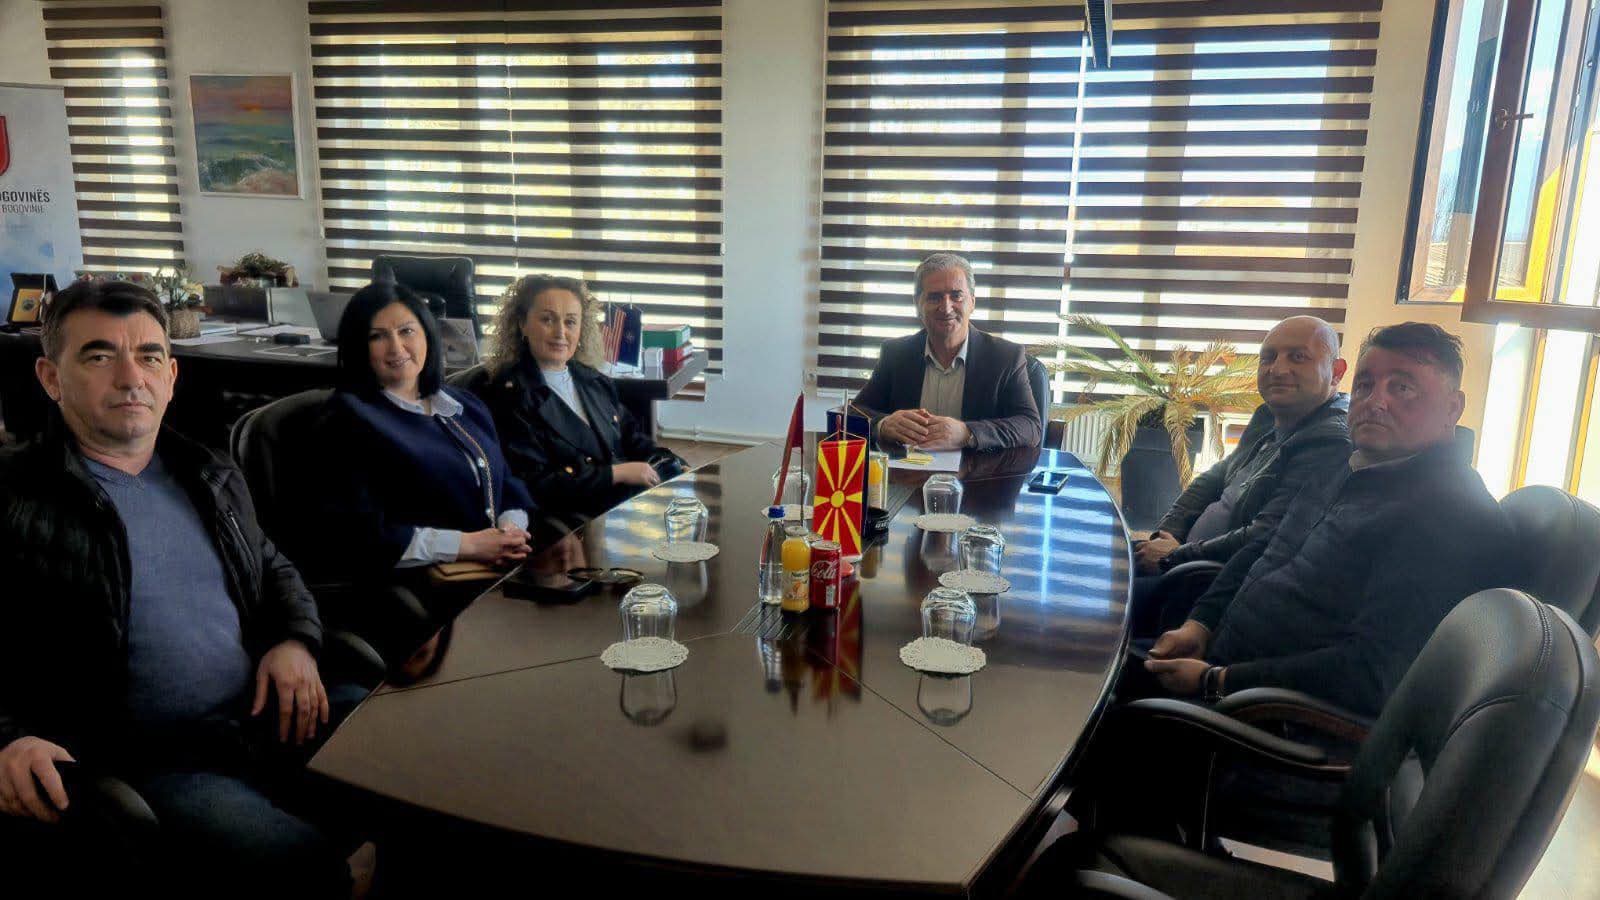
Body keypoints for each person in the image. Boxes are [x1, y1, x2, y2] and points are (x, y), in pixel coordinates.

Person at [0, 279, 357, 896]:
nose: (129, 378)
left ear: (170, 376)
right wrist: (8, 738)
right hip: (147, 760)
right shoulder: (16, 497)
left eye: (148, 356)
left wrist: (294, 640)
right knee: (303, 868)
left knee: (425, 757)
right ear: (51, 378)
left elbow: (274, 568)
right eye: (98, 356)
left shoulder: (208, 473)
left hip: (259, 716)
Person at [1142, 322, 1513, 717]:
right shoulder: (1347, 464)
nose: (1374, 401)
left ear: (1453, 408)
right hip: (1218, 662)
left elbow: (1370, 673)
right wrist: (1199, 625)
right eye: (1365, 385)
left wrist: (1215, 680)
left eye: (1402, 387)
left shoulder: (1450, 515)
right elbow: (1264, 546)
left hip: (1263, 720)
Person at [1128, 316, 1351, 634]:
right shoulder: (1268, 415)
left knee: (1093, 603)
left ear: (1337, 371)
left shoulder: (1329, 442)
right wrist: (1166, 535)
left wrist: (1173, 557)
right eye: (1268, 357)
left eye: (1298, 357)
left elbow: (1265, 535)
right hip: (1181, 560)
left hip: (1206, 587)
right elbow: (1211, 480)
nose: (1277, 369)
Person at [311, 281, 538, 590]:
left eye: (406, 331)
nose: (396, 347)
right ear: (358, 347)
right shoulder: (345, 421)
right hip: (415, 588)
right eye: (377, 336)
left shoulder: (465, 405)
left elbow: (506, 482)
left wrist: (510, 531)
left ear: (427, 334)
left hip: (497, 573)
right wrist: (468, 545)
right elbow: (357, 534)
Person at [459, 274, 686, 528]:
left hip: (628, 506)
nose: (560, 333)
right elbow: (534, 484)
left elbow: (631, 437)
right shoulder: (509, 395)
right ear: (522, 323)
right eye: (547, 320)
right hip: (578, 522)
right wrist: (616, 473)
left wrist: (668, 461)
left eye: (570, 322)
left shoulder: (593, 380)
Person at [854, 252, 1041, 452]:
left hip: (979, 471)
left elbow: (1030, 426)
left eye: (956, 296)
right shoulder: (896, 354)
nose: (946, 307)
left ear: (972, 302)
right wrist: (883, 425)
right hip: (906, 470)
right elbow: (854, 413)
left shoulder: (1006, 357)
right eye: (934, 297)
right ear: (918, 304)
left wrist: (967, 433)